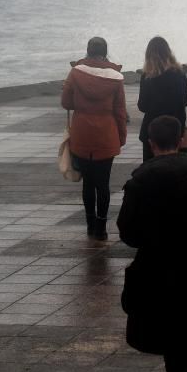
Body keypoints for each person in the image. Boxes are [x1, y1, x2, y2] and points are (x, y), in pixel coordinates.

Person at [117, 116, 187, 372]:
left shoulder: (138, 181)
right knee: (184, 333)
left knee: (165, 327)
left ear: (151, 143)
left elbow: (128, 233)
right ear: (179, 141)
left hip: (154, 266)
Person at [60, 36, 127, 241]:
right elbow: (120, 111)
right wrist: (121, 137)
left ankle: (90, 224)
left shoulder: (75, 73)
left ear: (87, 51)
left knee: (87, 182)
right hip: (106, 135)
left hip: (81, 134)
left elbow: (66, 102)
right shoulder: (115, 78)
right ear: (105, 52)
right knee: (103, 183)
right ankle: (101, 227)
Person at [137, 36, 187, 163]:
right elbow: (186, 100)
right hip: (175, 130)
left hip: (153, 132)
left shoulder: (147, 77)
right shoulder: (179, 73)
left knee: (151, 170)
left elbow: (142, 106)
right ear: (168, 53)